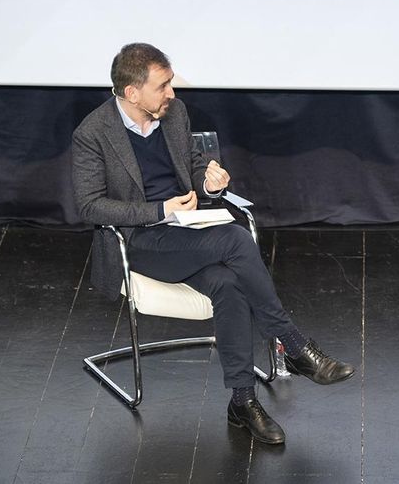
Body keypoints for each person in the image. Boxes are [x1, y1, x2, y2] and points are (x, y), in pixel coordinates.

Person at [71, 43, 354, 445]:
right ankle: (293, 344)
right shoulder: (93, 134)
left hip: (189, 230)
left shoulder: (174, 114)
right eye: (163, 86)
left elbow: (192, 165)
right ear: (132, 93)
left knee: (228, 282)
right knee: (236, 239)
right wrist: (159, 209)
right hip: (139, 240)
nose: (172, 93)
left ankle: (242, 401)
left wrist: (208, 179)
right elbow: (89, 205)